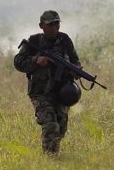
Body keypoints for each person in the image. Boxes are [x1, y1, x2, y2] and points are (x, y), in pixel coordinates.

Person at [14, 10, 81, 155]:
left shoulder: (65, 40)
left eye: (57, 23)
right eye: (51, 24)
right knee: (50, 125)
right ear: (41, 25)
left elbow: (75, 61)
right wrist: (36, 60)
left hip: (62, 92)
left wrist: (74, 70)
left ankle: (52, 152)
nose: (55, 27)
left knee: (61, 127)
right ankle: (49, 159)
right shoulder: (34, 42)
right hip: (40, 92)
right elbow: (18, 62)